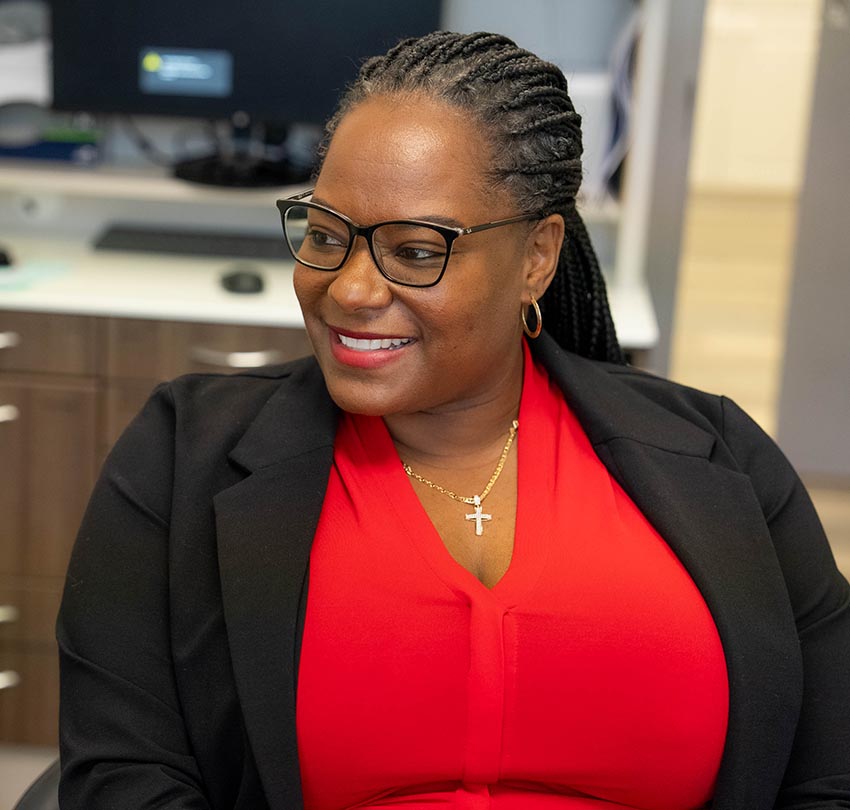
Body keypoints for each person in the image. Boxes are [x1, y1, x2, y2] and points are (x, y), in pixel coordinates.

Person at [56, 31, 850, 810]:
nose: (352, 290)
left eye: (414, 250)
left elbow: (830, 770)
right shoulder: (180, 456)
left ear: (536, 257)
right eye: (326, 236)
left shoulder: (719, 459)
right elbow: (122, 774)